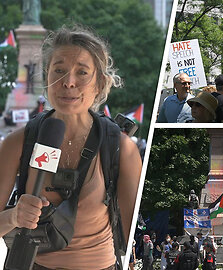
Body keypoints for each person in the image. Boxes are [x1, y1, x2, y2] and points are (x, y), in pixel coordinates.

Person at [0, 26, 141, 269]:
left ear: (99, 83)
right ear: (46, 77)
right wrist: (14, 216)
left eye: (82, 72)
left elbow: (131, 237)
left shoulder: (121, 148)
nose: (68, 82)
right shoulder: (17, 143)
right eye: (59, 71)